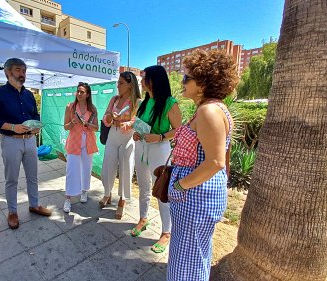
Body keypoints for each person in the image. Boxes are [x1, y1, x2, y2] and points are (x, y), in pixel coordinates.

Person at [167, 49, 238, 280]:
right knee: (191, 255)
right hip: (195, 194)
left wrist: (180, 186)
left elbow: (215, 162)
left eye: (188, 78)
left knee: (189, 259)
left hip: (195, 196)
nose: (183, 81)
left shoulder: (209, 111)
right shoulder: (208, 109)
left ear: (203, 83)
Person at [0, 58, 52, 229]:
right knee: (11, 179)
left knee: (33, 177)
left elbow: (35, 115)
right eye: (18, 70)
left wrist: (37, 126)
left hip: (30, 141)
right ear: (7, 72)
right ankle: (12, 212)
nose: (22, 74)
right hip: (10, 141)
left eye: (24, 70)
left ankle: (34, 205)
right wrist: (12, 127)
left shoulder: (29, 94)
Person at [131, 65, 182, 253]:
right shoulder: (144, 102)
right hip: (141, 147)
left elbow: (179, 130)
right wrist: (136, 134)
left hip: (159, 149)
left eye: (145, 78)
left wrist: (160, 137)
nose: (142, 81)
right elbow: (140, 125)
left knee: (160, 190)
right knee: (143, 186)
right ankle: (143, 218)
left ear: (154, 80)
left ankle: (166, 232)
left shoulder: (170, 102)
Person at [100, 71, 141, 219]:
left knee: (126, 168)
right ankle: (107, 193)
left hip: (127, 138)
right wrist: (110, 117)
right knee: (107, 167)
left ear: (130, 85)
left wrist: (128, 124)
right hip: (112, 134)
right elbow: (105, 117)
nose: (118, 85)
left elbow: (137, 120)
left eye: (121, 83)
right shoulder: (114, 99)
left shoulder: (137, 101)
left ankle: (122, 200)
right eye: (118, 82)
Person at [62, 82, 99, 213]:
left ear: (87, 94)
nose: (78, 94)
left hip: (88, 142)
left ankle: (84, 191)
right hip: (74, 142)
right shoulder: (70, 107)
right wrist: (72, 122)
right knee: (71, 170)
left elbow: (96, 128)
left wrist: (87, 124)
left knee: (86, 169)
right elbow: (65, 126)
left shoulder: (92, 109)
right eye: (77, 91)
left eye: (82, 92)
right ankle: (68, 198)